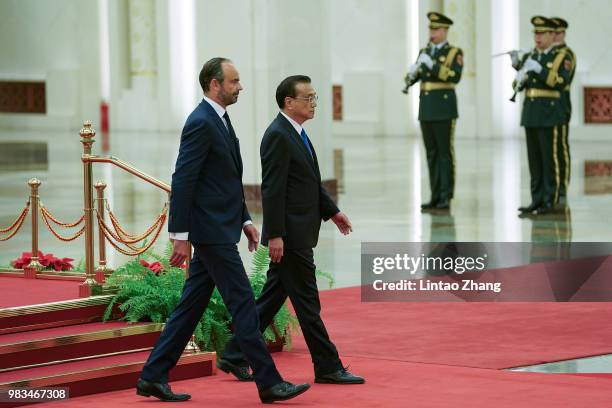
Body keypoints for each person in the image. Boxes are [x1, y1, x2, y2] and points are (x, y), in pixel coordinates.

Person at [136, 58, 309, 404]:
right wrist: (180, 236)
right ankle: (269, 382)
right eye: (234, 81)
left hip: (222, 226)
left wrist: (245, 220)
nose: (240, 87)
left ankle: (152, 376)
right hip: (210, 232)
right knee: (244, 304)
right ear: (215, 84)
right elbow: (183, 180)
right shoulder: (200, 122)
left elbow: (225, 179)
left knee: (191, 307)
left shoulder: (220, 120)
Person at [217, 75, 364, 386]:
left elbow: (308, 181)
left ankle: (233, 353)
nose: (314, 104)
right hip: (291, 237)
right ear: (289, 102)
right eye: (308, 98)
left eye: (314, 97)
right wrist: (276, 235)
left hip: (298, 232)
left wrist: (333, 211)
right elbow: (273, 190)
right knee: (308, 304)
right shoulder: (278, 136)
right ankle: (327, 365)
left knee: (271, 299)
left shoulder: (296, 132)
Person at [404, 11, 463, 211]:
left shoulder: (454, 53)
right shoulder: (424, 52)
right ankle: (435, 195)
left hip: (444, 109)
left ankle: (446, 195)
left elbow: (455, 77)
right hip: (427, 108)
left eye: (436, 29)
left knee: (445, 153)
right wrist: (411, 75)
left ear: (446, 31)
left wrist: (434, 66)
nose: (432, 32)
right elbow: (414, 78)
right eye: (431, 28)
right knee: (431, 153)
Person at [515, 17, 573, 215]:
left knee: (550, 159)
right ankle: (536, 199)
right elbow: (517, 85)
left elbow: (559, 81)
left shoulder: (562, 56)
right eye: (535, 34)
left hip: (550, 112)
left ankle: (551, 199)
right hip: (531, 112)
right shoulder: (531, 56)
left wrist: (539, 70)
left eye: (542, 34)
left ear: (551, 35)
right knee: (535, 159)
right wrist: (518, 74)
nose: (537, 37)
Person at [550, 17, 576, 203]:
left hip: (560, 103)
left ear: (564, 33)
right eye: (553, 33)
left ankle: (563, 186)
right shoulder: (547, 53)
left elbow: (564, 79)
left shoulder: (567, 54)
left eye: (558, 33)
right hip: (544, 106)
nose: (555, 36)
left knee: (560, 147)